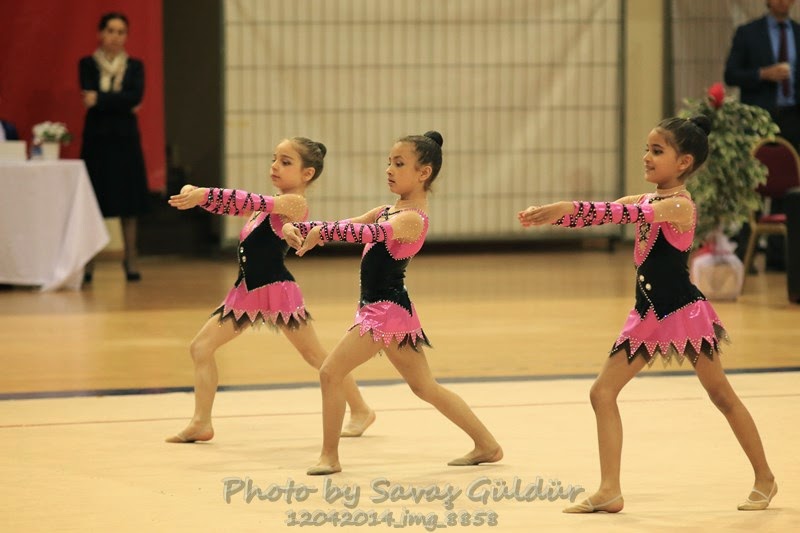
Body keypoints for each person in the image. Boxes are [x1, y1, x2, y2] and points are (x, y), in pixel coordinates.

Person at [518, 116, 777, 512]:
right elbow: (601, 213)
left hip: (682, 312)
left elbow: (618, 215)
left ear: (684, 162)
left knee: (721, 395)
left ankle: (766, 478)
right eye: (647, 149)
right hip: (647, 314)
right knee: (602, 392)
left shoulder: (679, 206)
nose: (646, 157)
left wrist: (568, 207)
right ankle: (610, 490)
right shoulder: (645, 200)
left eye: (657, 151)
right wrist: (553, 214)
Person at [283, 131, 503, 475]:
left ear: (423, 173)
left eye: (399, 164)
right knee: (425, 387)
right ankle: (487, 445)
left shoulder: (412, 218)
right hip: (392, 310)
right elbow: (345, 224)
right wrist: (298, 228)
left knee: (330, 372)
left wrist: (321, 234)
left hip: (384, 312)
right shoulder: (387, 210)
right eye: (389, 162)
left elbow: (367, 234)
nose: (389, 169)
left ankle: (330, 456)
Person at [164, 137, 374, 444]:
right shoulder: (268, 205)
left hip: (276, 290)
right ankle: (201, 423)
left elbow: (247, 200)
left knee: (315, 355)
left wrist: (204, 194)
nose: (275, 166)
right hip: (247, 291)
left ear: (307, 174)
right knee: (201, 348)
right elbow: (233, 204)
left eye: (286, 162)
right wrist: (196, 196)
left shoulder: (294, 203)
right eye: (274, 159)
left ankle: (361, 409)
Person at [724, 0, 799, 270]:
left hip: (792, 117)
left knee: (787, 186)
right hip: (758, 117)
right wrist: (762, 74)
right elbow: (731, 74)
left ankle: (779, 256)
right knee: (753, 184)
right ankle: (747, 251)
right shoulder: (748, 32)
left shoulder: (797, 32)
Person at [79, 12, 149, 283]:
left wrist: (101, 99)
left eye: (121, 32)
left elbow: (135, 96)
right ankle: (87, 263)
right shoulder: (87, 64)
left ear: (126, 36)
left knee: (129, 204)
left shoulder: (135, 66)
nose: (115, 37)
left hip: (125, 140)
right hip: (97, 140)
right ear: (100, 33)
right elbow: (92, 97)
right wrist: (121, 101)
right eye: (110, 30)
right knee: (92, 201)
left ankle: (130, 259)